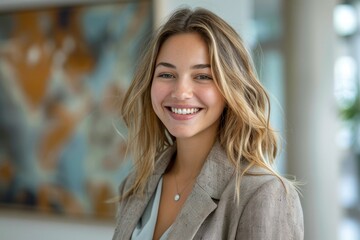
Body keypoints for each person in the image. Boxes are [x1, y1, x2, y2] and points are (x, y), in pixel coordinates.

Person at [112, 7, 304, 240]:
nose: (181, 92)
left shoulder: (263, 194)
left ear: (230, 87)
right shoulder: (134, 186)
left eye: (202, 76)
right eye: (166, 74)